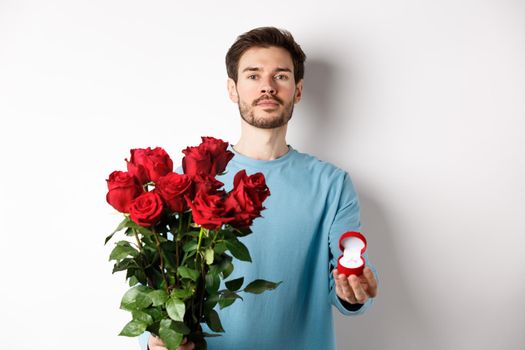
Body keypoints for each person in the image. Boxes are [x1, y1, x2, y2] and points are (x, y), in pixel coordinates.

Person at [143, 26, 379, 350]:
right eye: (253, 76)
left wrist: (352, 288)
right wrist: (156, 341)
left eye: (280, 76)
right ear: (232, 89)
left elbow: (347, 270)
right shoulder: (192, 178)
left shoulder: (331, 185)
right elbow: (161, 281)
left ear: (297, 91)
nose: (267, 87)